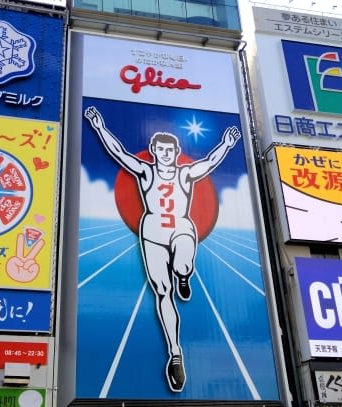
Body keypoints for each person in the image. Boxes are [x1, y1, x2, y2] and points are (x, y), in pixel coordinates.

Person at [84, 106, 241, 392]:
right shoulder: (145, 172)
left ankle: (184, 274)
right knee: (162, 292)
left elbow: (209, 163)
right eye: (161, 149)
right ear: (154, 151)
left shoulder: (185, 174)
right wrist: (99, 127)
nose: (166, 154)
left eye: (171, 150)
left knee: (182, 262)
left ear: (176, 151)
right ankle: (175, 354)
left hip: (181, 227)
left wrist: (227, 144)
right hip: (153, 232)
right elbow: (119, 153)